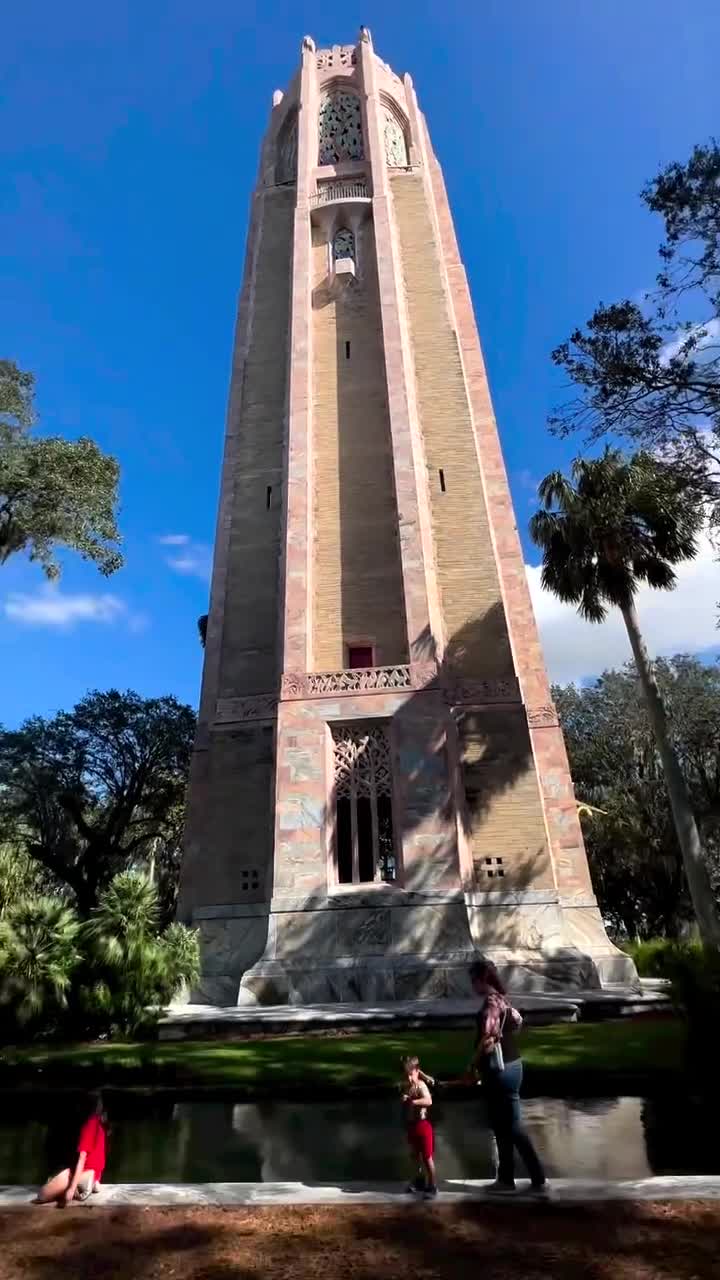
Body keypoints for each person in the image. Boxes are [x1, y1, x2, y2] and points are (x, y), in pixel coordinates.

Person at [468, 958, 548, 1197]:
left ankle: (536, 1176)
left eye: (473, 979)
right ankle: (506, 1179)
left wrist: (472, 1064)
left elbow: (487, 1037)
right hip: (511, 1066)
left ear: (482, 979)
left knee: (510, 1125)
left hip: (500, 1069)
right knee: (503, 1125)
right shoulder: (503, 999)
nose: (472, 984)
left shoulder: (492, 1002)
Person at [36, 1091, 108, 1206]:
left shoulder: (90, 1124)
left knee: (42, 1194)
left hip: (83, 1171)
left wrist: (71, 1188)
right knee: (54, 1179)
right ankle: (92, 1182)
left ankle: (78, 1183)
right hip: (96, 1172)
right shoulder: (99, 1123)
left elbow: (82, 1158)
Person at [401, 1055, 438, 1200]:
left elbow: (428, 1101)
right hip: (412, 1126)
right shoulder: (409, 1086)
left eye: (411, 1075)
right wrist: (404, 1097)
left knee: (428, 1157)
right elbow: (405, 1096)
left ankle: (433, 1185)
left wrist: (412, 1102)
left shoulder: (421, 1085)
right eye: (406, 1076)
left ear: (416, 1071)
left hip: (423, 1126)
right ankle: (419, 1181)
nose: (409, 1078)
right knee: (415, 1155)